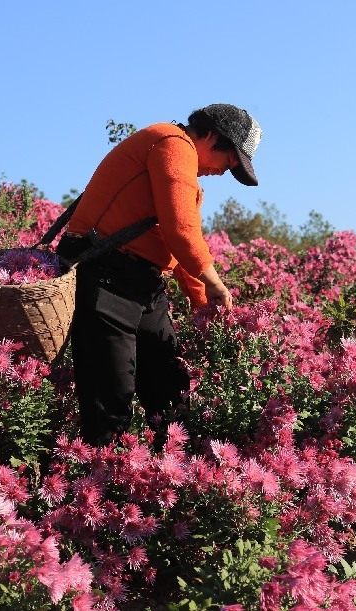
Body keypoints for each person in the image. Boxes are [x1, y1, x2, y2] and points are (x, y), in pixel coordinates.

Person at [56, 103, 262, 447]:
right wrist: (215, 284)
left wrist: (201, 303)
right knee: (111, 400)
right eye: (229, 162)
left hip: (141, 283)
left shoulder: (184, 172)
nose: (225, 172)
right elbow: (180, 231)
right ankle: (105, 487)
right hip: (105, 274)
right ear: (211, 135)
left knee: (170, 393)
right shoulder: (173, 144)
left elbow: (177, 242)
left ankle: (169, 480)